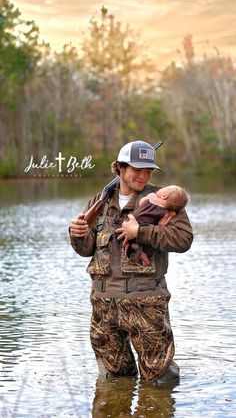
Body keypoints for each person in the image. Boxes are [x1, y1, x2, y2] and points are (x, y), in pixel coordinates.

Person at [69, 140, 193, 385]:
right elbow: (86, 250)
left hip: (146, 303)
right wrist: (77, 234)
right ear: (120, 168)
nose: (143, 175)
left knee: (159, 380)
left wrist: (142, 233)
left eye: (148, 170)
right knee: (114, 379)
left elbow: (184, 239)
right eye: (137, 169)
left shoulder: (163, 198)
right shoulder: (100, 201)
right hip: (104, 305)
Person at [125, 185, 190, 266]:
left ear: (164, 195)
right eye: (137, 171)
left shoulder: (155, 195)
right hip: (110, 278)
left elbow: (183, 240)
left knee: (129, 245)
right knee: (134, 247)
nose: (143, 175)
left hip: (147, 278)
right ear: (121, 171)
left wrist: (139, 231)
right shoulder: (107, 196)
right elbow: (162, 223)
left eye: (149, 172)